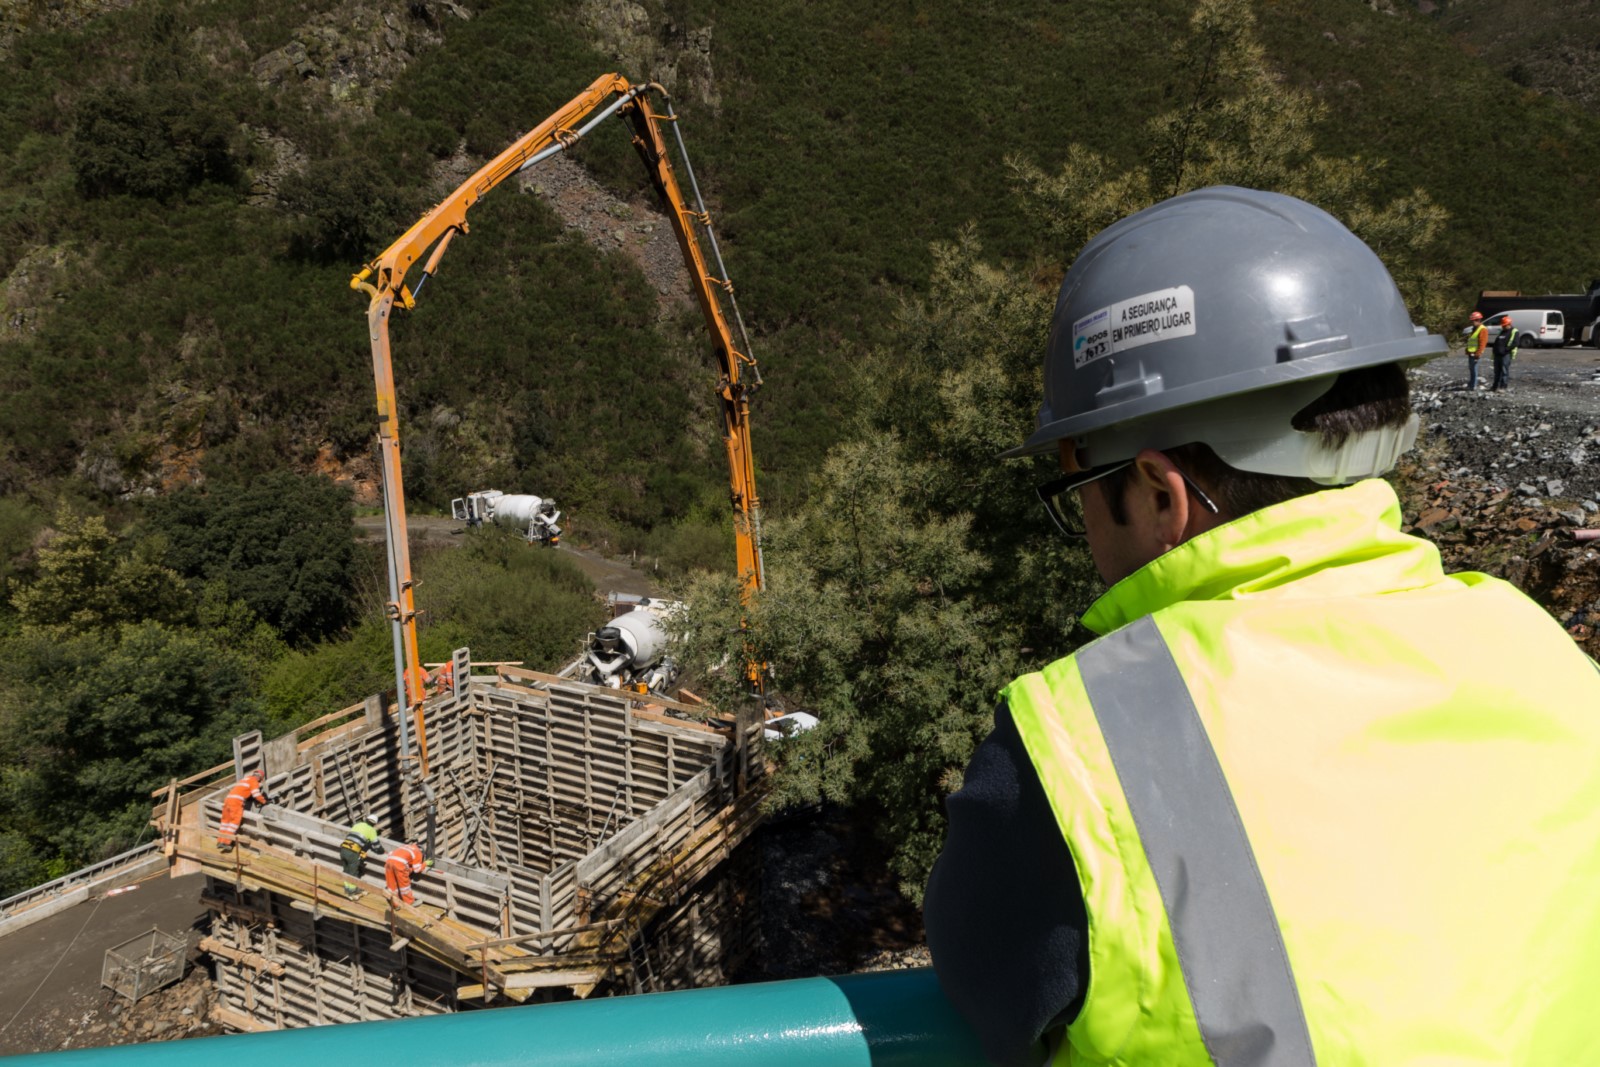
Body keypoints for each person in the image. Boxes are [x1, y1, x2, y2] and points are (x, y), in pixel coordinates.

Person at [921, 186, 1600, 1066]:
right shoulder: (1542, 650)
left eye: (1078, 491)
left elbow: (987, 973)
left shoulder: (1075, 746)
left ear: (1162, 496)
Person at [216, 768, 270, 852]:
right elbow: (256, 794)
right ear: (259, 778)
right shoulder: (254, 781)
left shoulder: (244, 779)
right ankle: (226, 843)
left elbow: (244, 791)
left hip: (228, 801)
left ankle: (220, 841)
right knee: (234, 822)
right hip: (236, 803)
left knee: (225, 822)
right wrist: (264, 801)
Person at [339, 814, 381, 900]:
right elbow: (376, 844)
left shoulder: (357, 825)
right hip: (352, 852)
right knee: (353, 872)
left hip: (343, 849)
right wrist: (381, 851)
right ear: (374, 824)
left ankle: (347, 889)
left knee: (346, 870)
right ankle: (352, 892)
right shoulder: (371, 830)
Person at [383, 841, 431, 906]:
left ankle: (394, 904)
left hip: (389, 862)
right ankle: (410, 903)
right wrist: (425, 864)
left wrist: (409, 869)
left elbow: (392, 854)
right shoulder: (418, 852)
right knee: (404, 887)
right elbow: (417, 869)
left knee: (391, 886)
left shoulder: (405, 846)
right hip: (399, 865)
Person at [1490, 313, 1520, 391]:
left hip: (1505, 355)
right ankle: (1495, 386)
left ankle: (1503, 386)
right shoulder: (1502, 332)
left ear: (1509, 324)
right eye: (1502, 325)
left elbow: (1515, 343)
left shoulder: (1514, 331)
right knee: (1497, 371)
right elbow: (1497, 341)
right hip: (1497, 354)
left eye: (1504, 325)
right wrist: (1494, 350)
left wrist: (1506, 350)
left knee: (1504, 371)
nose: (1503, 326)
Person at [1463, 309, 1487, 390]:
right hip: (1471, 352)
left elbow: (1482, 343)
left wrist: (1478, 353)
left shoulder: (1482, 329)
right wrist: (1467, 349)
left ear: (1478, 320)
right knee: (1471, 369)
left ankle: (1473, 386)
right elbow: (1471, 340)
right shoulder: (1474, 328)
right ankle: (1471, 384)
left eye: (1473, 321)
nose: (1472, 322)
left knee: (1474, 370)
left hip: (1475, 354)